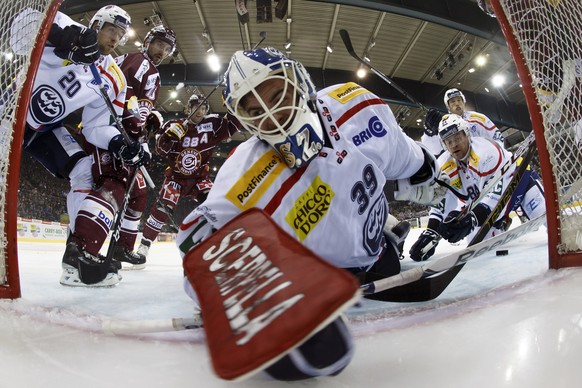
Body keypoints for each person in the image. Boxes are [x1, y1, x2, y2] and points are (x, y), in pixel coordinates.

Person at [175, 47, 448, 380]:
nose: (273, 115)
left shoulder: (357, 107)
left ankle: (388, 231)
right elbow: (198, 247)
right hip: (323, 274)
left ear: (297, 80)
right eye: (255, 109)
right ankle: (385, 233)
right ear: (244, 119)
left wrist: (426, 167)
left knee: (388, 258)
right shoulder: (244, 176)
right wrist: (252, 301)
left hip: (372, 250)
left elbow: (407, 157)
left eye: (277, 94)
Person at [16, 5, 148, 287]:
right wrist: (60, 36)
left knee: (85, 170)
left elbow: (96, 126)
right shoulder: (67, 26)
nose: (115, 39)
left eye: (121, 35)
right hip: (10, 110)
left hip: (42, 130)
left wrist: (118, 143)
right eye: (112, 30)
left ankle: (78, 256)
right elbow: (18, 27)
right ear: (97, 23)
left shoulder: (114, 77)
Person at [409, 114, 546, 262]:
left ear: (467, 134)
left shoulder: (486, 152)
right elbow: (440, 203)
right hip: (486, 202)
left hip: (519, 183)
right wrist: (431, 233)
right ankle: (500, 222)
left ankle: (501, 219)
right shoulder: (443, 166)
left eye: (457, 138)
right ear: (444, 145)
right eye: (449, 141)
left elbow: (497, 193)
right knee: (477, 247)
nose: (454, 144)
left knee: (553, 222)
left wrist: (473, 219)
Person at [133, 93, 241, 266]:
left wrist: (231, 104)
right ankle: (144, 246)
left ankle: (222, 244)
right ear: (187, 108)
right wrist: (170, 136)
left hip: (200, 178)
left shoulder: (212, 125)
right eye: (196, 106)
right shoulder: (173, 125)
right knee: (162, 207)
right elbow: (160, 150)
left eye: (204, 107)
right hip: (176, 178)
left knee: (213, 205)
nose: (200, 111)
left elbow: (234, 124)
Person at [105, 25, 177, 269]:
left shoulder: (128, 59)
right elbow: (134, 107)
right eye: (159, 44)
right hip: (120, 137)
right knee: (121, 190)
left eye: (167, 49)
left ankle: (118, 246)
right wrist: (141, 138)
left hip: (106, 129)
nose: (162, 51)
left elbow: (131, 101)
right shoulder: (147, 68)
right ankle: (104, 247)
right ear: (148, 41)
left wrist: (152, 117)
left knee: (135, 191)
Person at [421, 88, 505, 157]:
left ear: (463, 102)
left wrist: (497, 155)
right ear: (448, 106)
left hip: (486, 161)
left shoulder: (478, 118)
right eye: (453, 101)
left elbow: (497, 138)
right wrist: (429, 132)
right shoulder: (444, 126)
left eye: (459, 100)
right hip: (461, 169)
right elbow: (434, 150)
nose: (457, 103)